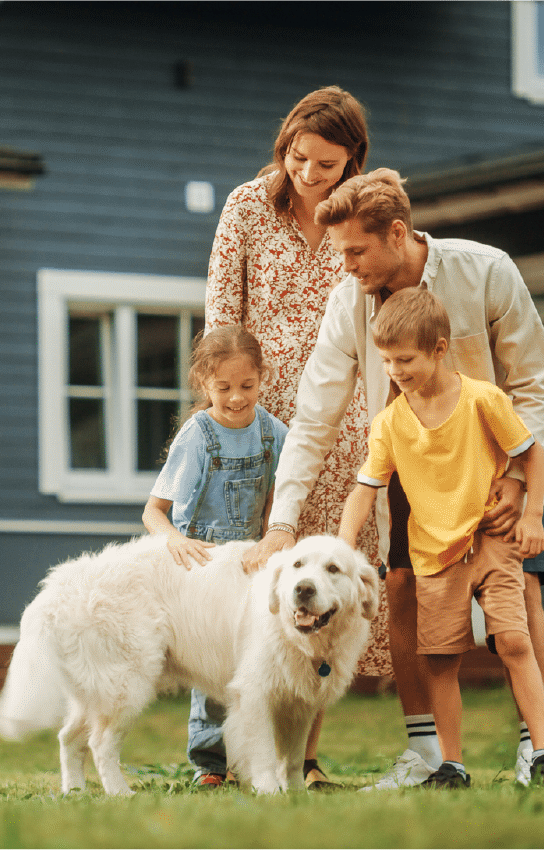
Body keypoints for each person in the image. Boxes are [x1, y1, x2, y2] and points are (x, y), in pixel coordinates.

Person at [243, 167, 544, 789]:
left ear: (397, 232)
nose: (347, 265)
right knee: (403, 593)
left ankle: (535, 751)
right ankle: (428, 754)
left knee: (520, 600)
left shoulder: (487, 270)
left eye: (357, 251)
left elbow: (533, 381)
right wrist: (284, 523)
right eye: (339, 253)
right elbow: (315, 417)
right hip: (408, 475)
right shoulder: (348, 300)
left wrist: (520, 483)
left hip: (497, 468)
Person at [205, 84, 371, 790]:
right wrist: (221, 410)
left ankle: (301, 760)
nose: (308, 173)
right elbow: (221, 314)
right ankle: (216, 756)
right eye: (298, 157)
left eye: (326, 164)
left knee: (319, 592)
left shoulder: (364, 217)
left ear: (352, 162)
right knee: (238, 585)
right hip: (254, 421)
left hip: (337, 428)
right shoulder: (247, 206)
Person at [337, 287, 544, 788]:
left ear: (439, 349)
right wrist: (343, 543)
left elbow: (532, 453)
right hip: (432, 556)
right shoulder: (390, 423)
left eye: (406, 359)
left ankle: (543, 755)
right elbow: (364, 487)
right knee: (439, 660)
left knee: (512, 639)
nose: (395, 370)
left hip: (490, 541)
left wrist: (532, 516)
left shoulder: (483, 398)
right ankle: (452, 764)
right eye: (387, 360)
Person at [141, 325, 288, 787]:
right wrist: (174, 540)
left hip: (251, 562)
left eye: (247, 386)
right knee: (212, 661)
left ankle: (256, 758)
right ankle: (211, 764)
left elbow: (277, 502)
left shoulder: (275, 434)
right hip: (200, 565)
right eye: (223, 388)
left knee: (252, 660)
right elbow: (154, 511)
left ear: (263, 378)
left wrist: (270, 543)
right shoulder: (197, 435)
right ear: (205, 383)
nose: (237, 398)